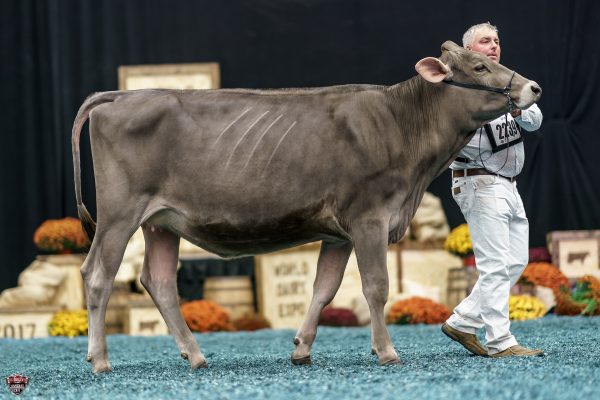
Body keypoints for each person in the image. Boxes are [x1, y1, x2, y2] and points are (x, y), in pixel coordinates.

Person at [441, 22, 544, 358]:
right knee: (495, 264)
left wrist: (517, 108)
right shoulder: (456, 87)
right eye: (485, 41)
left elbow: (536, 120)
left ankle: (463, 321)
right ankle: (501, 342)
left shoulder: (505, 81)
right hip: (478, 179)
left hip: (508, 183)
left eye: (496, 40)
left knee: (516, 260)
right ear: (469, 50)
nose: (494, 45)